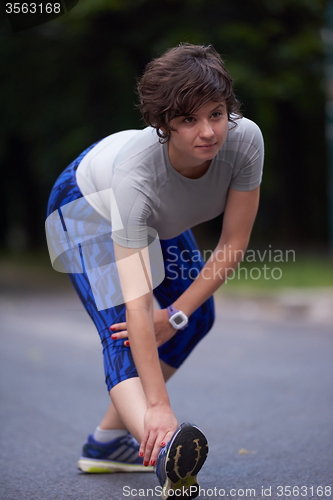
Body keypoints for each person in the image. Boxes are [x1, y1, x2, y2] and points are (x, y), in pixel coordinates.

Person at [45, 43, 264, 499]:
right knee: (123, 331)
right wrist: (159, 406)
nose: (208, 132)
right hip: (87, 207)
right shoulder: (136, 177)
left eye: (217, 113)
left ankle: (107, 442)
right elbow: (139, 303)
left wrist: (178, 314)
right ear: (162, 124)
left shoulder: (245, 141)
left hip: (152, 218)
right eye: (188, 120)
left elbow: (233, 244)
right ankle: (164, 449)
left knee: (196, 316)